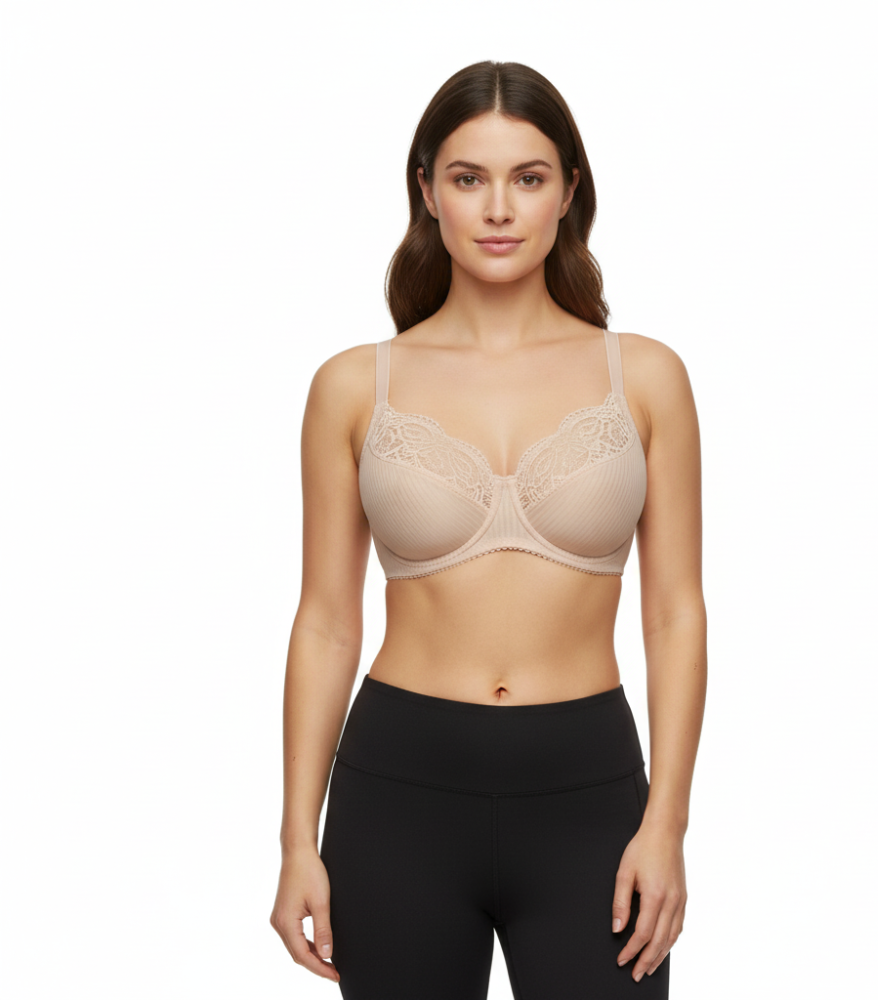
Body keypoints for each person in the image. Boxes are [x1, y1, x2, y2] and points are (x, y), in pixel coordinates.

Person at [269, 60, 707, 999]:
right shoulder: (351, 386)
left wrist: (667, 821)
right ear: (428, 190)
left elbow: (675, 614)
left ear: (569, 191)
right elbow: (326, 621)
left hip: (590, 796)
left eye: (529, 177)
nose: (499, 208)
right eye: (469, 178)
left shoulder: (646, 377)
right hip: (398, 795)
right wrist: (296, 839)